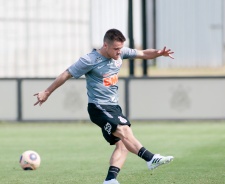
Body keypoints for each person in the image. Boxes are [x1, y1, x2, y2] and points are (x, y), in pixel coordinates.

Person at [34, 28, 174, 184]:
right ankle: (151, 158)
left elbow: (142, 54)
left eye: (121, 48)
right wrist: (47, 92)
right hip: (98, 107)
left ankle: (110, 180)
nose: (119, 52)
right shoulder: (89, 60)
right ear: (105, 45)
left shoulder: (120, 52)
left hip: (113, 107)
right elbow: (66, 74)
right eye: (116, 49)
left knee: (123, 144)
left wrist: (159, 53)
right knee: (124, 129)